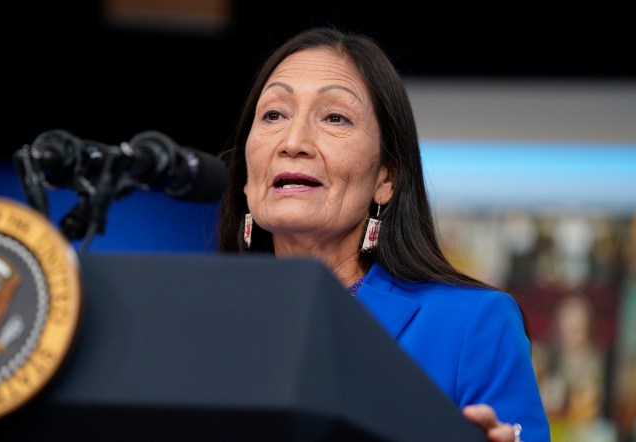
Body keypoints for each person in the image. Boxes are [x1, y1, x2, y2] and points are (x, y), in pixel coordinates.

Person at [215, 26, 550, 442]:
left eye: (335, 117)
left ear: (386, 177)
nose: (294, 141)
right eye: (274, 115)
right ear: (247, 177)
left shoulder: (472, 325)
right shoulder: (199, 323)